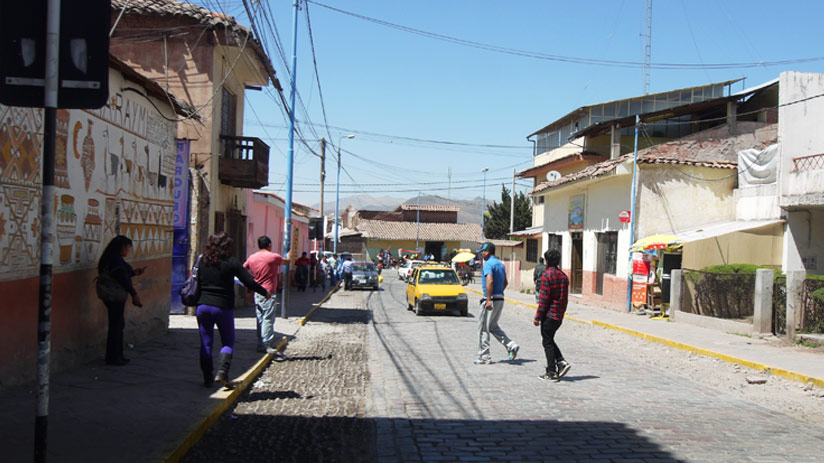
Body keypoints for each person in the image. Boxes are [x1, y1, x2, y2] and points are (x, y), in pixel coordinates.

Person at [196, 232, 270, 387]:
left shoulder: (202, 260)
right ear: (227, 246)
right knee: (228, 342)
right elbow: (249, 281)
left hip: (202, 306)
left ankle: (207, 378)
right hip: (222, 307)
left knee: (206, 342)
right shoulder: (231, 263)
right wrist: (264, 292)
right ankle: (222, 373)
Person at [97, 235, 145, 366]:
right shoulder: (115, 261)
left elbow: (124, 274)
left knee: (117, 324)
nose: (128, 250)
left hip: (112, 295)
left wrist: (134, 273)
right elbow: (122, 278)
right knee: (116, 325)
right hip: (114, 296)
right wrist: (134, 294)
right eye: (127, 247)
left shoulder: (112, 259)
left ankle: (116, 354)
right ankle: (114, 356)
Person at [474, 242, 519, 365]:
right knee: (493, 326)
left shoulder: (488, 264)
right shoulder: (500, 264)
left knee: (483, 329)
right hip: (500, 298)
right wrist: (498, 293)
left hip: (490, 300)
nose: (482, 253)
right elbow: (505, 282)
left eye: (483, 251)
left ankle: (484, 356)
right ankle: (511, 345)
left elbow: (490, 280)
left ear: (488, 251)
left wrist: (488, 299)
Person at [243, 235, 285, 357]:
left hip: (257, 291)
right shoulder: (272, 257)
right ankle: (266, 343)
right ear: (269, 245)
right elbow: (286, 261)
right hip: (268, 292)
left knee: (260, 318)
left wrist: (250, 281)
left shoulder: (252, 258)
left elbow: (243, 269)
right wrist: (288, 255)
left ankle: (260, 342)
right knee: (268, 318)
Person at [534, 248, 571, 382]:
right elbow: (565, 298)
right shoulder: (563, 276)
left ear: (547, 261)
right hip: (559, 315)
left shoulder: (547, 275)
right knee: (549, 339)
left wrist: (538, 316)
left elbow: (544, 299)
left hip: (549, 314)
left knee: (547, 342)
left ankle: (552, 371)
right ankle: (561, 362)